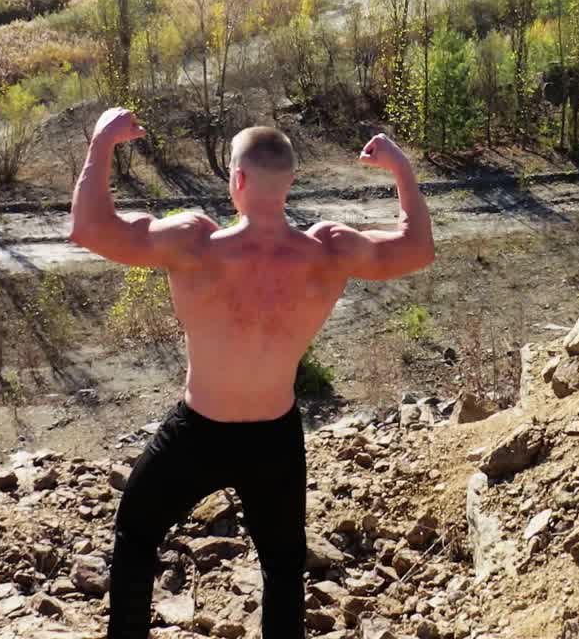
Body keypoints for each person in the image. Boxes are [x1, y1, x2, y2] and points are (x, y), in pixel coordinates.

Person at [69, 109, 435, 638]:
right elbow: (417, 248)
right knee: (282, 566)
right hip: (274, 438)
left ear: (237, 180)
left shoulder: (194, 243)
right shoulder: (329, 251)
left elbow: (88, 228)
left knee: (137, 534)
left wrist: (104, 140)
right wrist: (401, 167)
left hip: (197, 432)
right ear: (290, 182)